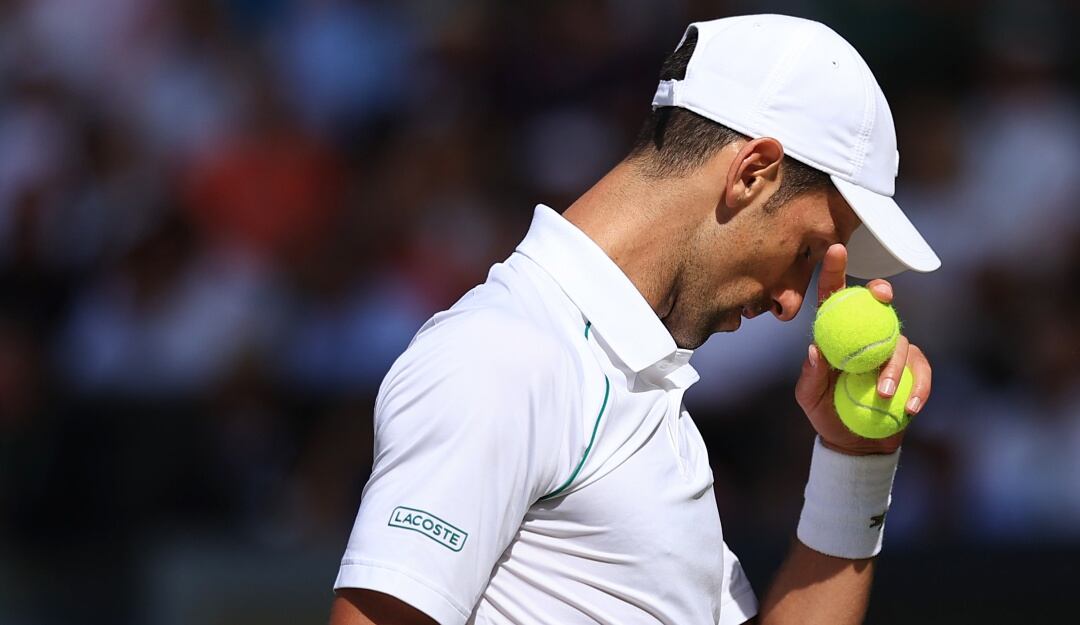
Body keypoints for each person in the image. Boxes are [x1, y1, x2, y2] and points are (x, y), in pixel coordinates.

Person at [329, 14, 940, 625]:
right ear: (751, 173)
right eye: (807, 250)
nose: (790, 303)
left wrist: (854, 462)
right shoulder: (503, 357)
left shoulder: (625, 382)